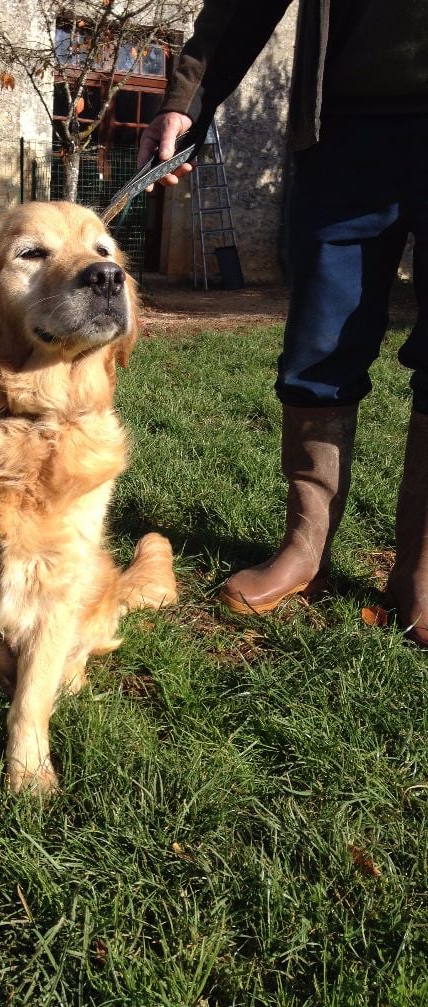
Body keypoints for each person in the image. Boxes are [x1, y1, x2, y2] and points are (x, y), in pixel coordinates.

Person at [137, 0, 428, 646]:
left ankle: (420, 573)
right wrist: (188, 96)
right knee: (318, 343)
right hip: (345, 125)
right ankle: (305, 547)